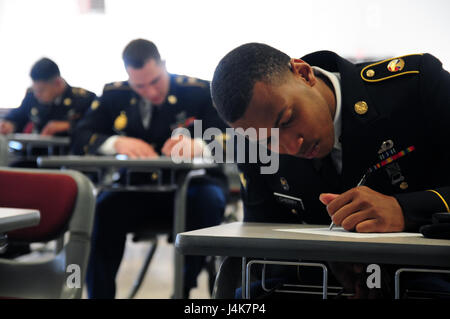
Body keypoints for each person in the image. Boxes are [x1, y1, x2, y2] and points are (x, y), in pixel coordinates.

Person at [210, 43, 450, 298]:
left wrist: (405, 210)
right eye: (268, 141)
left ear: (304, 74)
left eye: (288, 119)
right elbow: (261, 252)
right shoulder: (251, 144)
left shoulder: (416, 85)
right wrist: (327, 259)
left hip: (426, 277)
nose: (292, 146)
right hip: (320, 284)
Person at [72, 39, 228, 299]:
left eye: (155, 81)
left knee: (209, 204)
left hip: (195, 186)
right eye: (140, 86)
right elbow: (79, 136)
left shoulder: (199, 91)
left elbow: (231, 136)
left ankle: (183, 289)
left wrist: (198, 144)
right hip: (139, 187)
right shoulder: (114, 95)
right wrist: (115, 142)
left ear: (163, 65)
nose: (150, 92)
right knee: (102, 210)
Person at [0, 57, 96, 137]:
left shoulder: (84, 99)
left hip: (68, 156)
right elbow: (18, 115)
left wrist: (68, 125)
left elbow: (96, 125)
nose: (37, 95)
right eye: (35, 90)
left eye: (41, 90)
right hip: (34, 154)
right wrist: (9, 123)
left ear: (58, 83)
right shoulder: (32, 96)